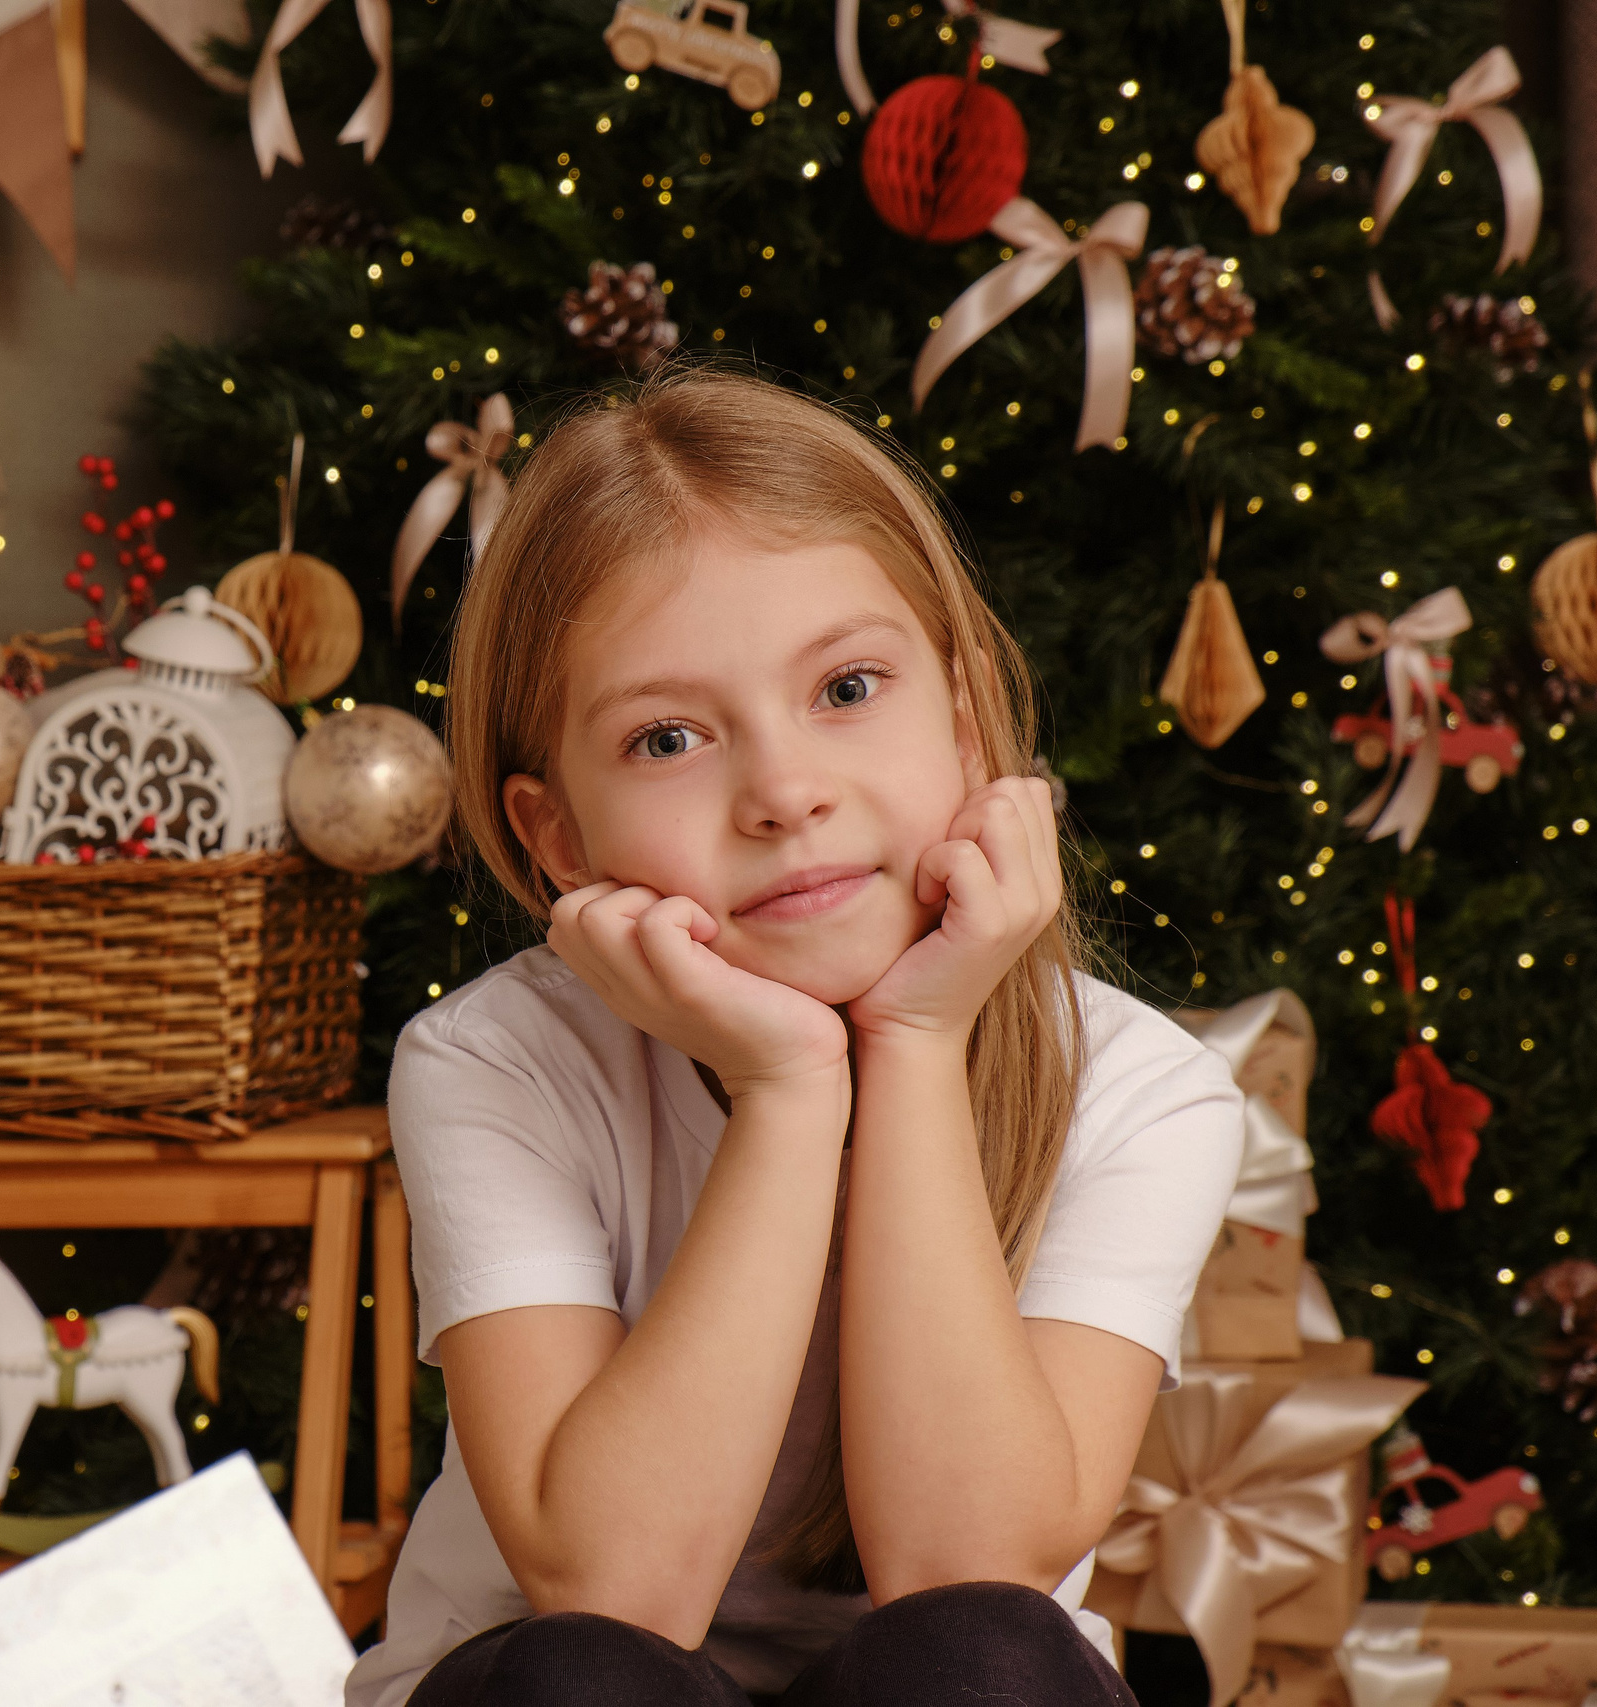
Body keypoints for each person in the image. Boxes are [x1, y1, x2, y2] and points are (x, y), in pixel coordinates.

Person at [345, 370, 1246, 1707]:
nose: (783, 792)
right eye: (666, 738)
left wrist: (918, 1044)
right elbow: (612, 1590)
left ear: (966, 718)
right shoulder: (496, 1064)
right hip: (572, 1680)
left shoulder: (1142, 1092)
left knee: (986, 1661)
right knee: (581, 1678)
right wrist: (785, 1090)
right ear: (558, 836)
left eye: (847, 686)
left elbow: (965, 1571)